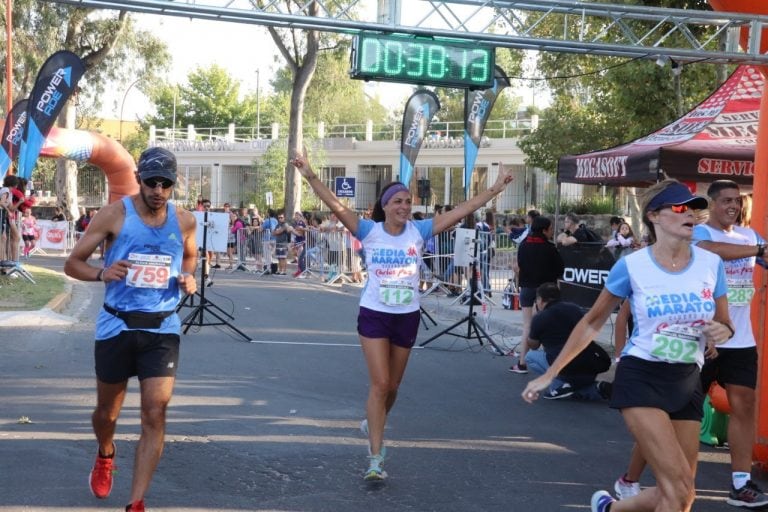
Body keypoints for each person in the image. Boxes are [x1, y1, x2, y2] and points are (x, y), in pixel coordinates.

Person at [290, 152, 514, 481]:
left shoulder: (419, 230)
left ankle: (374, 418)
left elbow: (461, 210)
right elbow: (336, 205)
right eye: (397, 201)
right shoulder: (368, 230)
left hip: (406, 315)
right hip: (374, 315)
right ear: (386, 205)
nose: (404, 206)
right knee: (380, 383)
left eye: (408, 201)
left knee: (393, 386)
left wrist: (494, 189)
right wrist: (309, 175)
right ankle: (376, 457)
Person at [522, 179, 734, 512]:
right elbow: (592, 321)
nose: (690, 214)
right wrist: (551, 372)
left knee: (682, 496)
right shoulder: (632, 265)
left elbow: (725, 322)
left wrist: (721, 331)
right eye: (680, 208)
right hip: (642, 376)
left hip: (688, 380)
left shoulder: (711, 265)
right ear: (654, 215)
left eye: (694, 208)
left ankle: (609, 508)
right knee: (677, 489)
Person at [613, 180, 768, 508]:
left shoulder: (751, 237)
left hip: (735, 339)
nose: (733, 206)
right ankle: (630, 478)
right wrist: (619, 353)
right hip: (686, 346)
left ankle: (740, 482)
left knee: (744, 406)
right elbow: (715, 252)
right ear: (709, 204)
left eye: (737, 201)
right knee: (664, 416)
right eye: (725, 200)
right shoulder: (693, 235)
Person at [63, 147, 198, 512]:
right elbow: (72, 263)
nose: (157, 190)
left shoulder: (184, 221)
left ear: (173, 185)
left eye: (165, 183)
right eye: (151, 182)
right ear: (138, 178)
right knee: (107, 414)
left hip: (162, 327)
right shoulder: (113, 216)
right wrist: (101, 273)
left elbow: (189, 255)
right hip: (117, 324)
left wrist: (188, 277)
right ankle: (106, 452)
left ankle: (136, 502)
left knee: (155, 412)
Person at [525, 282, 612, 400]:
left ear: (540, 300)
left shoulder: (540, 317)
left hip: (566, 367)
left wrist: (532, 326)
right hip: (591, 364)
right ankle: (597, 388)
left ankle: (563, 385)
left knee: (530, 356)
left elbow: (533, 345)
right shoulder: (575, 308)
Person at [509, 216, 564, 374]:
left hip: (527, 288)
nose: (552, 231)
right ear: (545, 229)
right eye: (550, 228)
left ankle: (521, 363)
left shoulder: (524, 245)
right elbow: (560, 269)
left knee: (527, 325)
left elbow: (519, 266)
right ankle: (550, 361)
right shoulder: (550, 248)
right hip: (547, 291)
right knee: (548, 324)